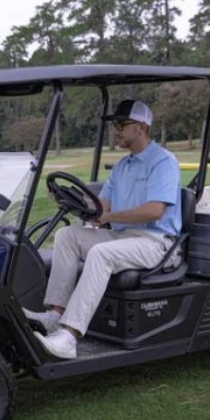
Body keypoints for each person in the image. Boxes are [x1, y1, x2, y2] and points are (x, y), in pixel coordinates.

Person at [25, 99, 182, 359]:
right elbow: (101, 206)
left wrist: (109, 216)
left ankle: (69, 336)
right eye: (115, 126)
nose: (116, 131)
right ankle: (55, 315)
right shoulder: (122, 167)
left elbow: (155, 210)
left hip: (156, 242)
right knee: (67, 235)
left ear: (141, 127)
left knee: (101, 253)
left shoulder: (162, 162)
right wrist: (69, 199)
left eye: (122, 125)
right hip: (124, 236)